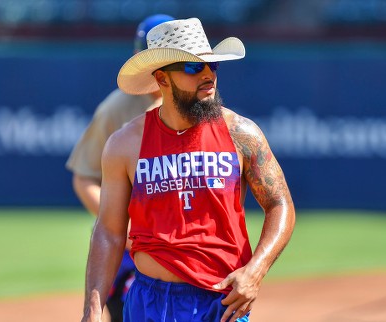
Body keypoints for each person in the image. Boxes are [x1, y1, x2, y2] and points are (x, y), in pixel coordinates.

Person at [81, 17, 296, 322]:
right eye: (194, 67)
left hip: (219, 304)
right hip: (146, 303)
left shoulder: (242, 134)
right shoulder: (125, 144)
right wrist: (92, 307)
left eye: (213, 66)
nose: (208, 74)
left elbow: (280, 203)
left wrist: (255, 270)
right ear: (162, 79)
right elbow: (109, 232)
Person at [66, 14, 175, 322]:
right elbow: (84, 177)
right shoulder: (117, 108)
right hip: (129, 251)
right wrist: (122, 227)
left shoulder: (194, 106)